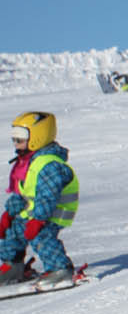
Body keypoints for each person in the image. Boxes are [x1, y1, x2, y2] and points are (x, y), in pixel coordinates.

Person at [1, 112, 78, 286]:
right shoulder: (28, 162)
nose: (15, 143)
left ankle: (60, 268)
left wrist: (38, 220)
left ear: (37, 137)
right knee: (11, 232)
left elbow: (48, 196)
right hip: (35, 214)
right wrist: (9, 214)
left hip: (54, 213)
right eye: (14, 138)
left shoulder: (50, 165)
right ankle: (13, 267)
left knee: (40, 236)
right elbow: (22, 194)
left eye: (20, 138)